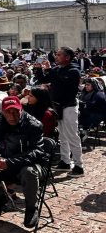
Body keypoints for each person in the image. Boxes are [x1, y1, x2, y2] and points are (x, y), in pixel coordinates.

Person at [0, 96, 45, 228]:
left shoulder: (33, 124)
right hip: (2, 163)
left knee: (29, 171)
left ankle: (31, 207)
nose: (12, 116)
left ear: (21, 110)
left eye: (15, 111)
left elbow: (37, 152)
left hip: (26, 166)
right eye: (8, 112)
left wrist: (9, 162)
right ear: (2, 112)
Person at [34, 47, 83, 176]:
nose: (56, 57)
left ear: (67, 57)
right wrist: (38, 69)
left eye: (59, 55)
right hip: (57, 107)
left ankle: (79, 166)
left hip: (69, 106)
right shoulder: (57, 69)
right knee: (62, 136)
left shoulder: (74, 70)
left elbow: (62, 82)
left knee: (72, 135)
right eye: (56, 54)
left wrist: (49, 70)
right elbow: (44, 79)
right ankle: (65, 161)